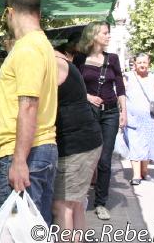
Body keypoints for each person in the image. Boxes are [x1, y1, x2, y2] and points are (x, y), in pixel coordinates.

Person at [0, 0, 58, 226]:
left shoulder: (28, 48)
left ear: (10, 12)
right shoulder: (42, 45)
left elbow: (28, 105)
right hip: (39, 150)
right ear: (38, 13)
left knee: (17, 230)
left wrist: (19, 161)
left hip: (26, 153)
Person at [74, 21, 126, 221]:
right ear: (94, 35)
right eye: (105, 33)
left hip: (111, 112)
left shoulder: (112, 59)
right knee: (86, 157)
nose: (108, 36)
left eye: (108, 33)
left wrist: (124, 111)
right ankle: (78, 197)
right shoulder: (79, 59)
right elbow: (75, 86)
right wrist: (88, 97)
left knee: (105, 159)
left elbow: (120, 87)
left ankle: (101, 203)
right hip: (88, 113)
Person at [52, 48, 102, 240]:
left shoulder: (55, 64)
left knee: (62, 206)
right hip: (85, 141)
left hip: (77, 144)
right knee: (75, 204)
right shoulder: (63, 62)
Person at [123, 53, 154, 184]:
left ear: (148, 63)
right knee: (135, 145)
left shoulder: (153, 77)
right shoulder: (127, 77)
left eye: (144, 62)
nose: (142, 65)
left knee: (148, 145)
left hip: (150, 118)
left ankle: (145, 171)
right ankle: (136, 175)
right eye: (139, 63)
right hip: (133, 118)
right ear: (135, 64)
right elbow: (121, 96)